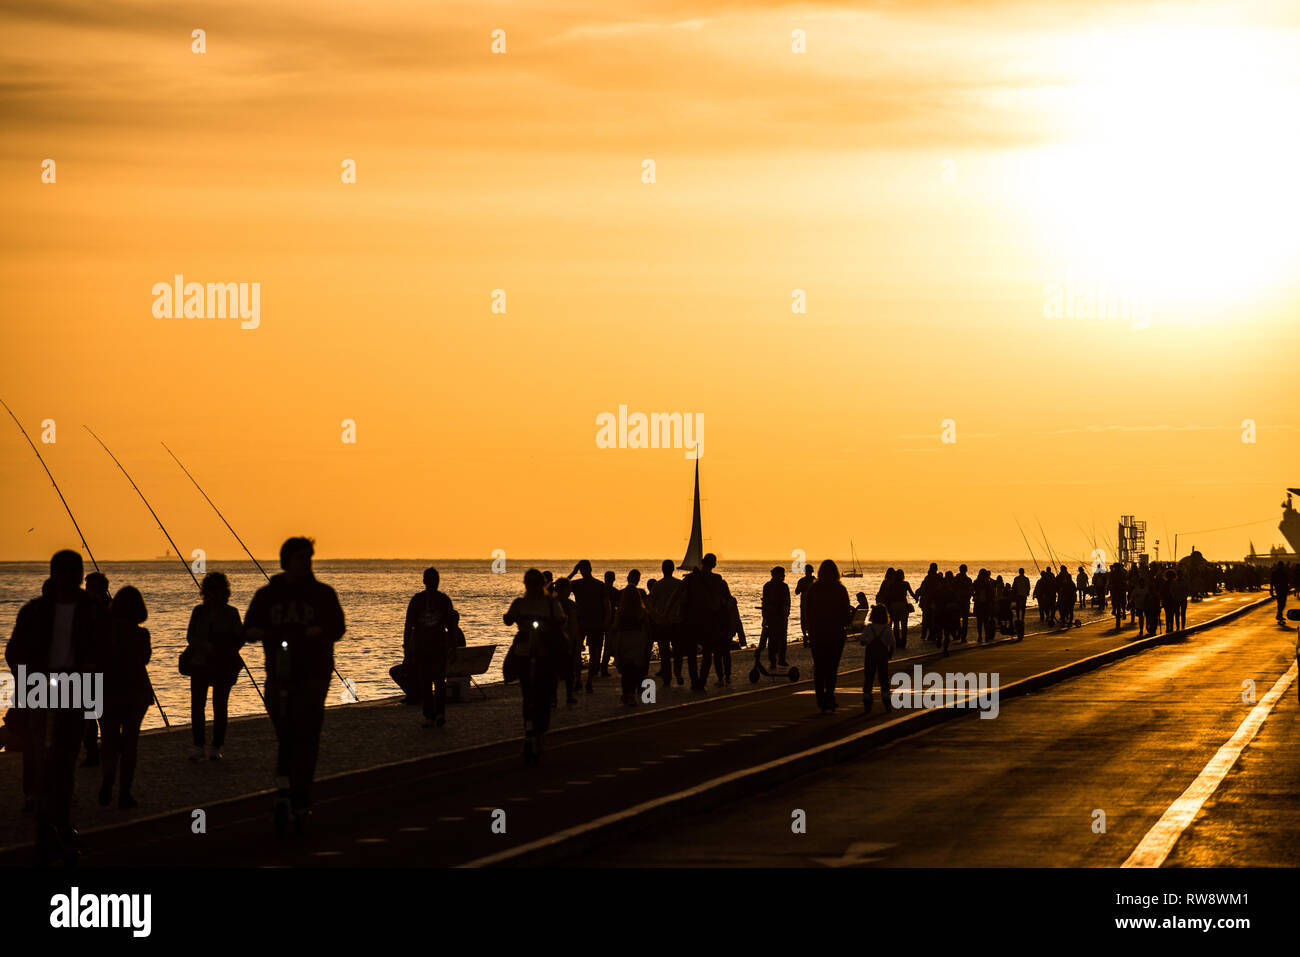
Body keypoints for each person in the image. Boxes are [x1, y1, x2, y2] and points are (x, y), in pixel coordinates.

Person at [6, 550, 104, 865]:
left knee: (65, 759)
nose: (65, 576)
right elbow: (15, 650)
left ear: (78, 574)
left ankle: (59, 825)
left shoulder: (93, 610)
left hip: (77, 685)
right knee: (43, 757)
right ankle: (47, 829)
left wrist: (91, 677)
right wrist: (28, 680)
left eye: (71, 571)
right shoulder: (34, 611)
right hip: (41, 687)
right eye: (60, 571)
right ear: (52, 574)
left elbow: (105, 651)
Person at [244, 537, 346, 836]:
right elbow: (247, 629)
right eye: (300, 557)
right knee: (285, 733)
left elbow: (338, 628)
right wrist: (262, 633)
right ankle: (284, 787)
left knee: (308, 734)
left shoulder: (323, 594)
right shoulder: (268, 595)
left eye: (308, 558)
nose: (306, 563)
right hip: (279, 675)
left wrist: (319, 631)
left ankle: (301, 792)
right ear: (286, 560)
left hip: (314, 674)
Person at [503, 569, 567, 763]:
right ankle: (529, 729)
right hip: (525, 648)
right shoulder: (520, 603)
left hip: (544, 649)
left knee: (544, 691)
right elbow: (508, 618)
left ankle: (540, 730)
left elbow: (561, 619)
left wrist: (555, 622)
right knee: (526, 691)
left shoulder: (550, 603)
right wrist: (510, 618)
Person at [98, 585, 153, 810]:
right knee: (131, 742)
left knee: (109, 739)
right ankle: (125, 792)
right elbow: (145, 659)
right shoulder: (141, 634)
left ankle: (108, 777)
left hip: (107, 691)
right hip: (136, 691)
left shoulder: (104, 632)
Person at [184, 571, 245, 760]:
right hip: (200, 663)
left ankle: (216, 746)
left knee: (220, 706)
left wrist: (224, 648)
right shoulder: (198, 611)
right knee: (197, 705)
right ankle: (198, 745)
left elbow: (240, 638)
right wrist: (204, 645)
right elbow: (190, 637)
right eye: (211, 590)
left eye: (218, 590)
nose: (215, 594)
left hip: (224, 664)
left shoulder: (231, 612)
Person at [403, 567, 459, 729]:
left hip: (435, 647)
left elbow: (451, 626)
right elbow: (409, 626)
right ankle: (434, 714)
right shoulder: (422, 600)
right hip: (426, 647)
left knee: (431, 681)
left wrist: (407, 647)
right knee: (433, 681)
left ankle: (432, 715)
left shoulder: (437, 600)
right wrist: (407, 647)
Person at [806, 559, 851, 712]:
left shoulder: (813, 589)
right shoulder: (840, 590)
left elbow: (807, 611)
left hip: (817, 632)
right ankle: (829, 696)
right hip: (835, 632)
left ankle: (820, 698)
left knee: (819, 666)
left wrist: (807, 630)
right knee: (832, 667)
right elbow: (846, 614)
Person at [681, 554, 732, 690]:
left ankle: (694, 681)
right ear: (714, 565)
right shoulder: (717, 579)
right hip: (710, 621)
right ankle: (702, 681)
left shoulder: (691, 578)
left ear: (702, 562)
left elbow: (679, 595)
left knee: (692, 654)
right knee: (707, 654)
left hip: (692, 620)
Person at [80, 571, 112, 768]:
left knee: (104, 715)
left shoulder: (110, 609)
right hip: (84, 669)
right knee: (87, 715)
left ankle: (106, 750)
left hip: (104, 669)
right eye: (87, 587)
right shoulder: (82, 609)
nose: (88, 590)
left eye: (91, 587)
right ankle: (92, 752)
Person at [565, 560, 610, 694]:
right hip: (586, 623)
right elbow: (560, 589)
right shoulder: (595, 585)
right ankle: (585, 680)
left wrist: (573, 572)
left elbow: (559, 588)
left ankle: (583, 680)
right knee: (590, 653)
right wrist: (606, 622)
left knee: (584, 653)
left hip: (588, 623)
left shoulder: (589, 585)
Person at [611, 570, 650, 705]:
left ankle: (626, 694)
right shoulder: (642, 611)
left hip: (624, 640)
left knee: (626, 670)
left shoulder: (620, 611)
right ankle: (633, 694)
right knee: (635, 669)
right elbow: (646, 627)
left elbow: (615, 627)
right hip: (637, 640)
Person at [646, 559, 686, 684]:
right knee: (678, 650)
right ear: (673, 569)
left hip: (662, 623)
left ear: (662, 569)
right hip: (677, 622)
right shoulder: (679, 584)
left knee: (664, 652)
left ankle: (667, 677)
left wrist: (656, 617)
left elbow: (651, 605)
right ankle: (678, 671)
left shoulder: (658, 585)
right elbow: (685, 603)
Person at [859, 604, 894, 714]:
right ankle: (886, 701)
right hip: (882, 656)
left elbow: (862, 641)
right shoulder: (887, 629)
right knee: (884, 679)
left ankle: (867, 700)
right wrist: (890, 654)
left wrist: (866, 641)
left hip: (870, 655)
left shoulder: (869, 628)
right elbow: (892, 643)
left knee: (868, 678)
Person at [551, 578, 581, 705]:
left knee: (553, 671)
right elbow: (574, 624)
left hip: (553, 641)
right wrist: (576, 640)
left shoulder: (551, 603)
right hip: (566, 640)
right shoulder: (571, 605)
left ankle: (553, 698)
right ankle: (569, 695)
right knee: (569, 671)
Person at [761, 566, 791, 669]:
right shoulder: (776, 586)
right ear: (777, 575)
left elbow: (787, 602)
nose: (784, 576)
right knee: (776, 639)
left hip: (777, 616)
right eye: (782, 574)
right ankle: (776, 660)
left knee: (777, 639)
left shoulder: (771, 586)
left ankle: (778, 660)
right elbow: (786, 602)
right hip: (774, 616)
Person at [795, 563, 816, 643]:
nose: (808, 573)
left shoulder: (815, 581)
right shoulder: (801, 581)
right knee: (804, 621)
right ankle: (805, 636)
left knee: (811, 621)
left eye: (809, 571)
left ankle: (810, 636)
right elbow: (797, 592)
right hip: (804, 605)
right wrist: (803, 587)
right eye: (807, 571)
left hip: (813, 605)